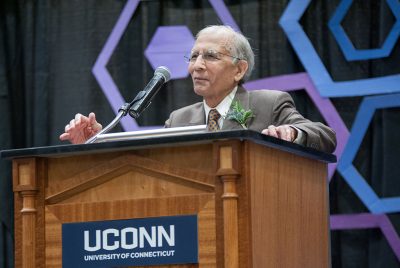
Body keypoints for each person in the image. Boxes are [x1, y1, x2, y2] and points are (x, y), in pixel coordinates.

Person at [60, 25, 336, 153]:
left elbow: (325, 136)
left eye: (210, 56)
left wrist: (293, 132)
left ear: (239, 69)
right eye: (193, 57)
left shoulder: (269, 104)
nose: (197, 66)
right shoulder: (179, 119)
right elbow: (150, 165)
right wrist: (97, 142)